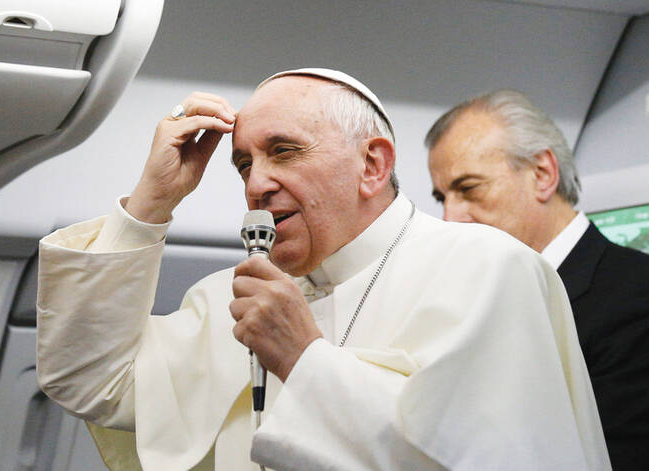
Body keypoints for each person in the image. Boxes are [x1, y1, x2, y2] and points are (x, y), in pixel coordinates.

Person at [37, 70, 610, 471]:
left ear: (372, 163)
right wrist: (150, 204)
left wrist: (304, 359)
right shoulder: (231, 297)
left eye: (283, 151)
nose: (256, 183)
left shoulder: (487, 269)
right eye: (243, 163)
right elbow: (86, 378)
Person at [425, 89, 649, 470]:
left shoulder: (636, 298)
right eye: (441, 196)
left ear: (543, 174)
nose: (450, 218)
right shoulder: (477, 301)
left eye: (468, 188)